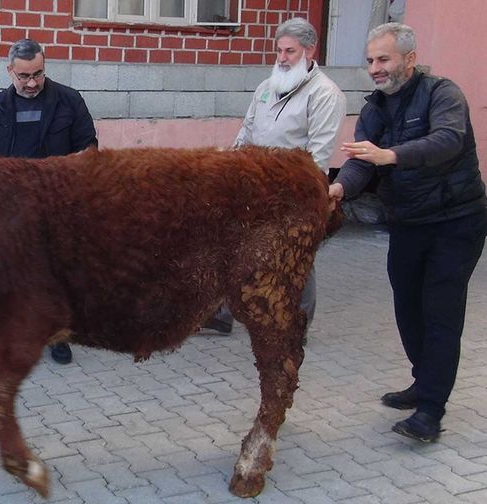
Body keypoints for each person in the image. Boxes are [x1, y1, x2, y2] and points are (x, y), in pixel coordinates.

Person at [329, 23, 487, 442]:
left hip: (457, 221)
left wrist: (391, 155)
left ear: (409, 60)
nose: (375, 69)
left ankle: (431, 410)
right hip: (408, 222)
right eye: (370, 61)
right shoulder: (374, 108)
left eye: (383, 59)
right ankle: (424, 380)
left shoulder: (442, 94)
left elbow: (447, 141)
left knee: (439, 310)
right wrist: (339, 188)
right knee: (407, 307)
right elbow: (363, 160)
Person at [203, 17, 346, 338]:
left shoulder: (325, 95)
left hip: (294, 190)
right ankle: (223, 314)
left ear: (310, 50)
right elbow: (248, 130)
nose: (282, 58)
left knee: (295, 259)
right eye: (278, 51)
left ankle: (298, 324)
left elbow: (318, 155)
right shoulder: (267, 87)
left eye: (290, 51)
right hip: (252, 185)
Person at [0, 38, 98, 365]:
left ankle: (57, 337)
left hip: (57, 208)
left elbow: (90, 152)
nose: (31, 83)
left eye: (38, 74)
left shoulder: (69, 101)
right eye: (23, 76)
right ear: (9, 71)